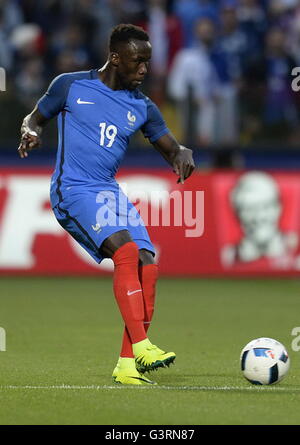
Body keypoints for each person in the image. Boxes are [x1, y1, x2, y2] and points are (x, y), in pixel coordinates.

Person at [17, 24, 195, 385]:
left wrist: (181, 154)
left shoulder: (142, 106)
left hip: (108, 192)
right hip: (73, 189)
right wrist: (31, 131)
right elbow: (37, 116)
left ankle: (127, 364)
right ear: (115, 58)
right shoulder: (70, 85)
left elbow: (171, 147)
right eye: (137, 61)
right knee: (126, 252)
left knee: (147, 263)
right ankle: (143, 344)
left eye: (147, 61)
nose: (144, 69)